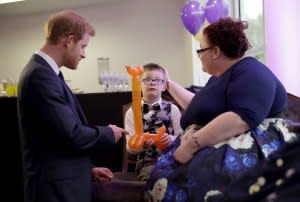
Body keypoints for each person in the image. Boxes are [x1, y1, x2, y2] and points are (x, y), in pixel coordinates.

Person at [144, 17, 298, 201]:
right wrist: (166, 84)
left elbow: (241, 118)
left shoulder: (252, 70)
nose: (199, 55)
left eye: (200, 50)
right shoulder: (220, 77)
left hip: (244, 148)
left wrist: (191, 145)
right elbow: (197, 107)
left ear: (215, 51)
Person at [17, 10, 128, 202]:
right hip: (54, 190)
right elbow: (71, 134)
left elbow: (54, 138)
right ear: (69, 40)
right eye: (83, 46)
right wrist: (108, 133)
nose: (84, 54)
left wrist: (87, 169)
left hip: (62, 183)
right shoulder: (40, 76)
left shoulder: (46, 73)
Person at [124, 63, 183, 182]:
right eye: (147, 80)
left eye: (157, 80)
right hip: (147, 162)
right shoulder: (132, 113)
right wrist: (142, 145)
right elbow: (130, 147)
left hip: (173, 158)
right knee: (155, 179)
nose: (152, 83)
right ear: (140, 84)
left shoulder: (173, 109)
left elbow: (182, 137)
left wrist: (170, 139)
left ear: (164, 86)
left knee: (182, 178)